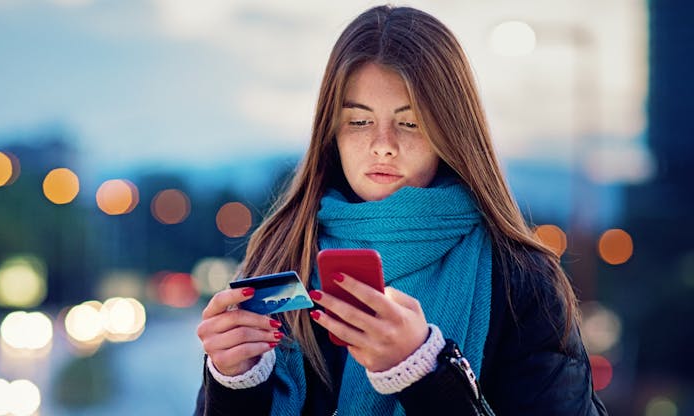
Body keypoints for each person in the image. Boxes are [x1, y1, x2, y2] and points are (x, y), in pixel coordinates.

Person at [193, 5, 607, 415]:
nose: (383, 144)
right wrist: (234, 381)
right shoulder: (280, 255)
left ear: (450, 131)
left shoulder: (521, 280)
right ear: (331, 131)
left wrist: (425, 370)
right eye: (358, 122)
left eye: (410, 123)